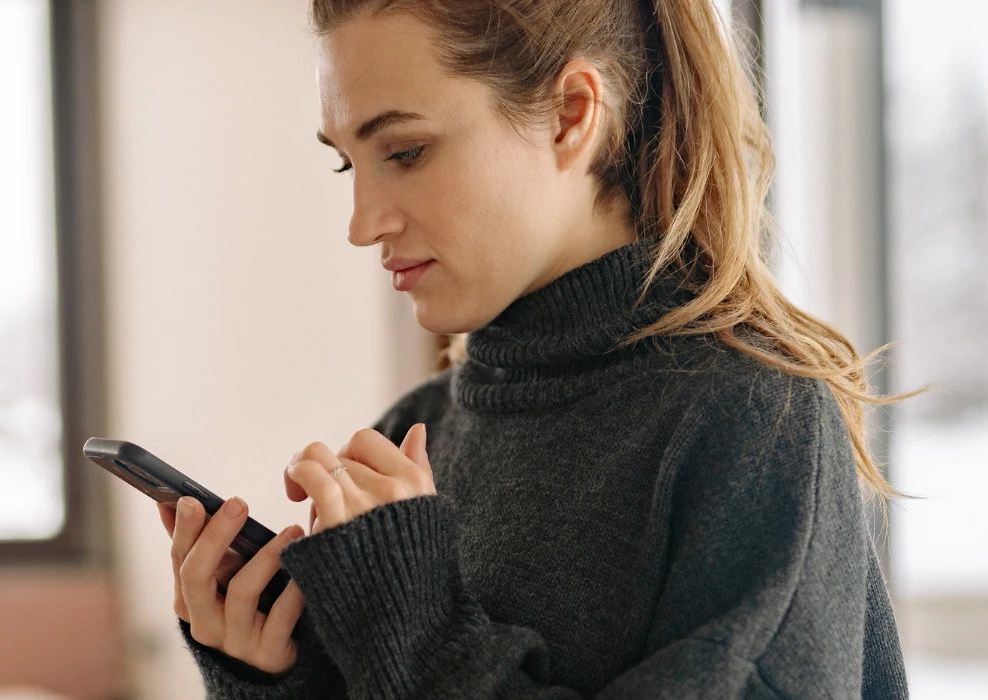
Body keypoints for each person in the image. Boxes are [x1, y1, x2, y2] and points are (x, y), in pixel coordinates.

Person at [157, 1, 924, 697]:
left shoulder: (755, 421)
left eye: (406, 151)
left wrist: (420, 636)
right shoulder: (414, 435)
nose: (362, 223)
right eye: (346, 162)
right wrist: (280, 676)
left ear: (570, 114)